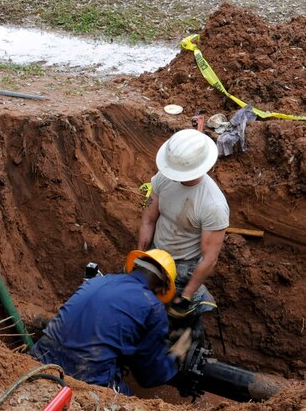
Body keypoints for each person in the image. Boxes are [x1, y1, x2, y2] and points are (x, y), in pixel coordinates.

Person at [30, 249, 191, 395]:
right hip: (86, 375)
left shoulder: (98, 281)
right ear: (162, 287)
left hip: (40, 356)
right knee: (128, 402)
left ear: (134, 267)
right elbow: (148, 376)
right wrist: (175, 357)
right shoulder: (153, 307)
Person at [137, 129, 229, 328]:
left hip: (183, 265)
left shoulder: (213, 205)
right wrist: (141, 256)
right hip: (156, 252)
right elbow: (148, 220)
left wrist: (187, 294)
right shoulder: (164, 178)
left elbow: (209, 258)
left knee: (171, 317)